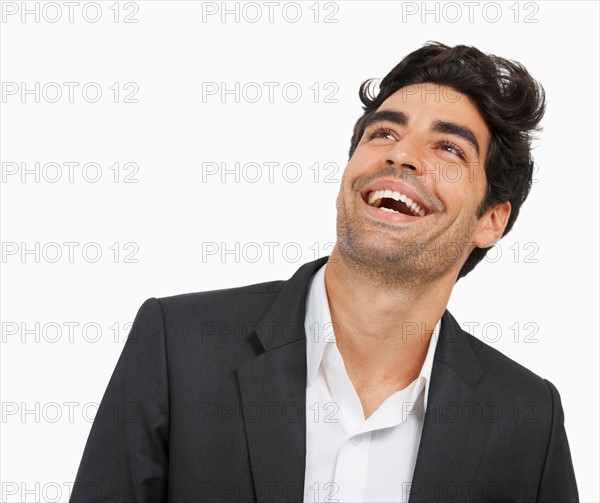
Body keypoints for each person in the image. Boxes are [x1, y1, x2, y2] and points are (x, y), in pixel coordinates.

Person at [70, 41, 579, 502]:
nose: (401, 154)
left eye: (448, 147)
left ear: (490, 220)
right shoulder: (178, 346)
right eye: (384, 132)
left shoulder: (528, 419)